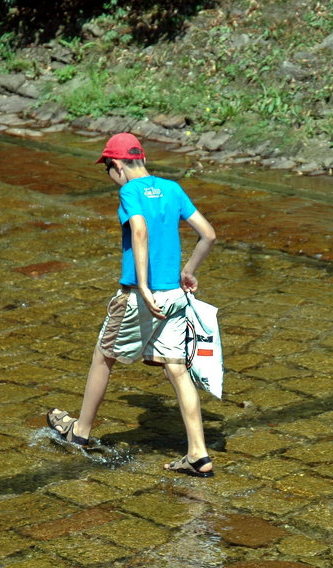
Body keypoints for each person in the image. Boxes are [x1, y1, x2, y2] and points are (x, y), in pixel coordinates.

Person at [47, 132, 217, 477]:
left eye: (108, 169)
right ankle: (198, 455)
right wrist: (188, 271)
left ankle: (79, 433)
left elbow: (138, 230)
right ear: (142, 159)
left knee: (103, 355)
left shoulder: (129, 191)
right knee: (177, 368)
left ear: (116, 166)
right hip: (174, 296)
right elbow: (208, 234)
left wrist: (141, 284)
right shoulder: (172, 188)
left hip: (141, 296)